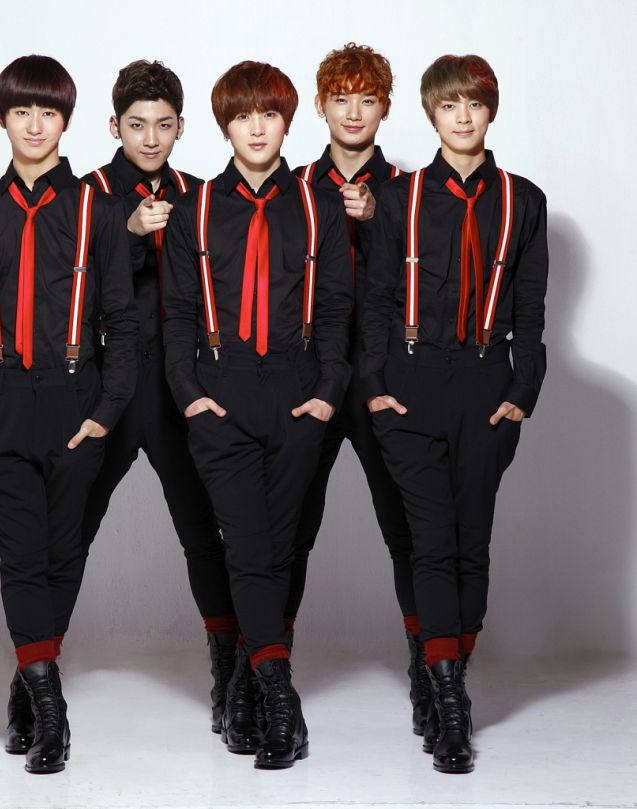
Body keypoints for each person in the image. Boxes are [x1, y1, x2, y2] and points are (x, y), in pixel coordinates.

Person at [0, 54, 138, 774]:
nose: (34, 125)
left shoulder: (99, 212)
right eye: (21, 111)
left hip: (77, 404)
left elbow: (123, 322)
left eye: (48, 112)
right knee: (23, 552)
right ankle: (52, 712)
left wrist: (107, 411)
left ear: (66, 120)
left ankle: (27, 681)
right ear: (1, 117)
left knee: (63, 553)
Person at [360, 54, 548, 773]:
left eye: (474, 104)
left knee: (472, 543)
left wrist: (520, 392)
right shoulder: (398, 197)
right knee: (432, 543)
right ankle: (450, 703)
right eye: (448, 105)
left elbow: (530, 311)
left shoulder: (523, 200)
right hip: (409, 385)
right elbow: (377, 301)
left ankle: (447, 674)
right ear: (430, 114)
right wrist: (375, 387)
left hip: (485, 384)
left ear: (490, 110)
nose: (462, 117)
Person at [163, 60, 353, 769]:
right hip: (222, 390)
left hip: (298, 390)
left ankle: (247, 680)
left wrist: (327, 391)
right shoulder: (194, 210)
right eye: (242, 116)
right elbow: (177, 315)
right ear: (224, 125)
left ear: (286, 121)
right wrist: (191, 396)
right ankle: (281, 700)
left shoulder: (317, 206)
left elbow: (335, 310)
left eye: (268, 114)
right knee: (246, 546)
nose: (256, 128)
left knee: (283, 546)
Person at [80, 59, 236, 734]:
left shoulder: (201, 196)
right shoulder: (84, 196)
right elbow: (56, 284)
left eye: (163, 125)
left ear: (181, 127)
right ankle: (33, 677)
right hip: (105, 387)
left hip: (180, 387)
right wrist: (126, 232)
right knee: (68, 530)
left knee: (204, 532)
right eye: (137, 125)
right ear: (114, 126)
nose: (150, 138)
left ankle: (230, 678)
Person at [290, 43, 430, 736]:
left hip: (382, 379)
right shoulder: (288, 185)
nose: (352, 112)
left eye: (366, 99)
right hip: (307, 378)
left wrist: (379, 220)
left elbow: (427, 284)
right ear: (320, 105)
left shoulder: (409, 190)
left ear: (385, 108)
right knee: (286, 527)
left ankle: (429, 669)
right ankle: (266, 675)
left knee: (408, 528)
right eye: (340, 98)